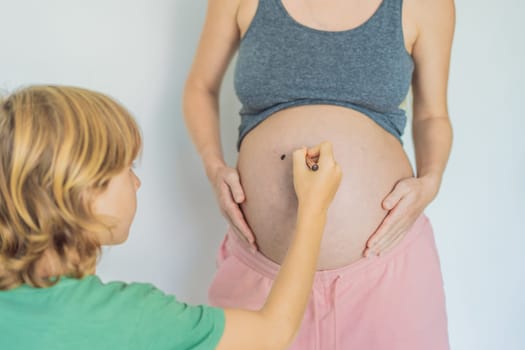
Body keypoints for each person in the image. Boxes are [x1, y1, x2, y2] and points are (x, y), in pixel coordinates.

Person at [183, 0, 455, 348]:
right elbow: (200, 87)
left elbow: (433, 115)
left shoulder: (427, 5)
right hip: (261, 272)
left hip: (385, 271)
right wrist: (213, 166)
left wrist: (431, 180)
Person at [0, 85, 342, 350]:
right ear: (83, 189)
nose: (136, 182)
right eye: (127, 168)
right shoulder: (132, 318)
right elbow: (272, 333)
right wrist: (314, 210)